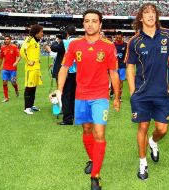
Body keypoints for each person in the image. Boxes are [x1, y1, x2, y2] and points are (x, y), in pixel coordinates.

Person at [56, 9, 120, 190]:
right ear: (83, 24)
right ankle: (93, 159)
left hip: (100, 96)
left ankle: (95, 176)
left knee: (99, 133)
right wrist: (59, 91)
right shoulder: (75, 45)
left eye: (94, 21)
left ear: (100, 24)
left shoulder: (108, 46)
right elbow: (64, 68)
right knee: (86, 129)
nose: (90, 24)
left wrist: (117, 96)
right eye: (87, 21)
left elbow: (113, 73)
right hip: (81, 96)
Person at [126, 3, 169, 180]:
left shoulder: (167, 35)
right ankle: (143, 163)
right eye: (146, 13)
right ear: (140, 18)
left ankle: (153, 142)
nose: (150, 15)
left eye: (153, 13)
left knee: (162, 129)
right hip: (141, 95)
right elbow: (129, 67)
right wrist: (133, 90)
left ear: (156, 16)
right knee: (143, 126)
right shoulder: (134, 41)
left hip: (161, 94)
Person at [46, 25, 77, 125]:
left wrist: (58, 39)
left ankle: (67, 119)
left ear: (67, 33)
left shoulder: (65, 42)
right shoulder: (79, 41)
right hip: (77, 71)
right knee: (73, 95)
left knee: (65, 95)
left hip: (67, 71)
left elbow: (53, 48)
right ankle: (73, 115)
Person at [20, 24, 43, 114]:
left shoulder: (36, 41)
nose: (42, 33)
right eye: (41, 32)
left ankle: (31, 105)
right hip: (31, 69)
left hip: (36, 68)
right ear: (36, 32)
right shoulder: (29, 39)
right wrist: (28, 61)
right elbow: (22, 50)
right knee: (29, 88)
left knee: (33, 87)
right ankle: (26, 108)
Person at [0, 35, 20, 102]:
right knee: (4, 82)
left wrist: (16, 62)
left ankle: (16, 89)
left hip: (13, 69)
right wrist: (0, 67)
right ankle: (6, 98)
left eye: (7, 39)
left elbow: (19, 56)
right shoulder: (2, 48)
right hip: (5, 68)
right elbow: (1, 58)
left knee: (13, 82)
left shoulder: (14, 47)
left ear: (10, 40)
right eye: (5, 39)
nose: (6, 40)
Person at [114, 31, 127, 101]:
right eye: (117, 37)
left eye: (119, 37)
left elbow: (127, 54)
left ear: (122, 37)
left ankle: (119, 96)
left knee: (121, 81)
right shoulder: (112, 45)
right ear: (115, 37)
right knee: (115, 81)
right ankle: (114, 93)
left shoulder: (125, 45)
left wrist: (125, 61)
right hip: (114, 66)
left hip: (122, 66)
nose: (118, 38)